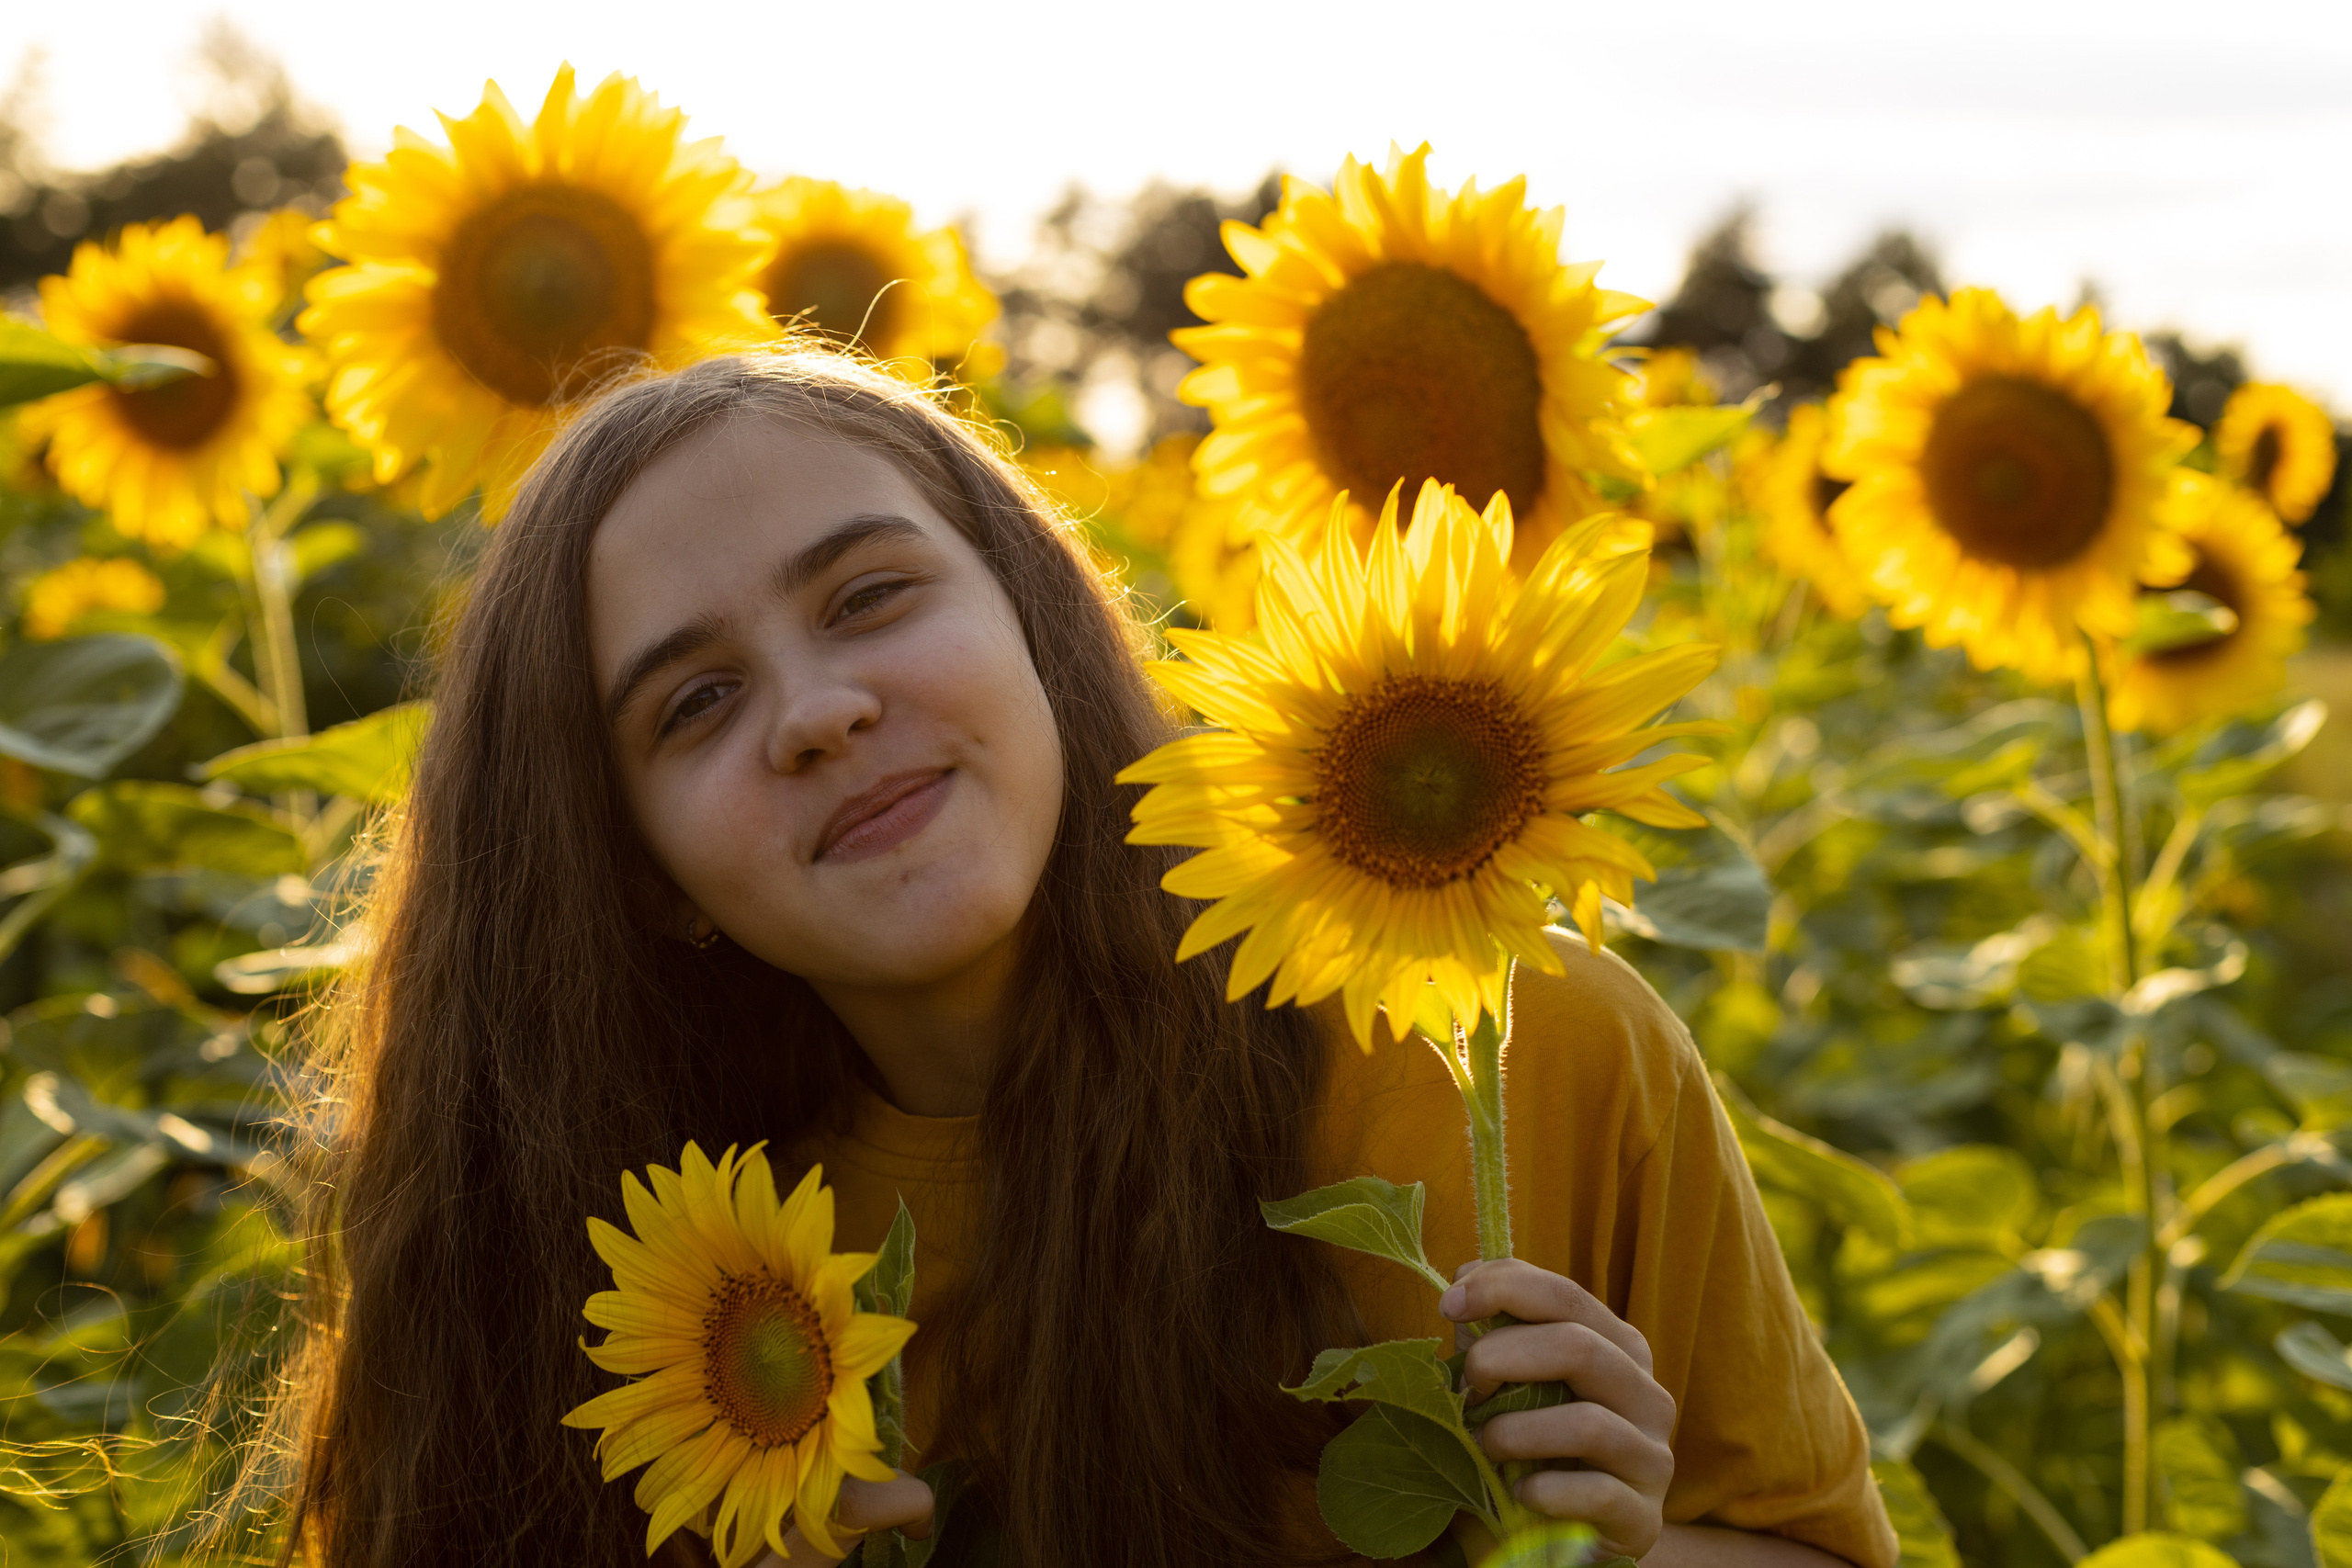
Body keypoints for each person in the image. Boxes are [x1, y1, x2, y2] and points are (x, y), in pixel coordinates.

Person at [256, 346, 1898, 1568]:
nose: (819, 712)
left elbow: (1817, 1545)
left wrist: (1612, 1551)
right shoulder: (662, 1289)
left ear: (1034, 622)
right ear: (647, 874)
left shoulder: (1506, 1046)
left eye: (871, 595)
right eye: (695, 705)